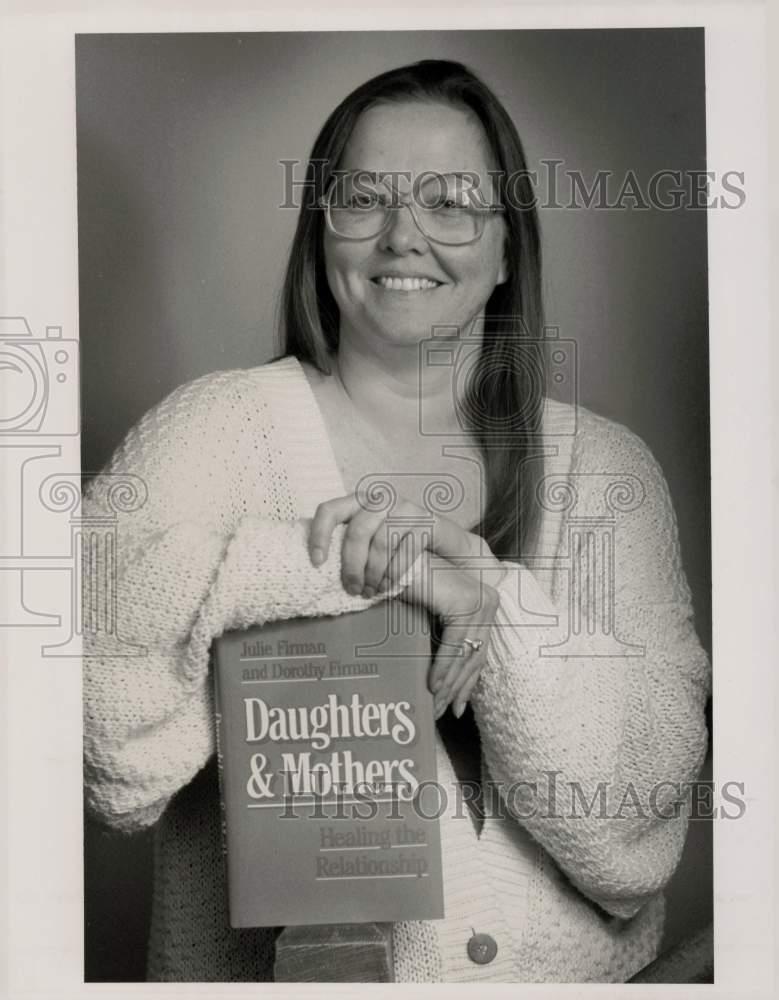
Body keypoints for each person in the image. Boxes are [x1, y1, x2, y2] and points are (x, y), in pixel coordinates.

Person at [82, 59, 711, 983]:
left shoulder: (606, 472)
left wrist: (489, 606)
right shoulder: (211, 432)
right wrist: (328, 566)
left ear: (507, 252)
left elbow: (641, 819)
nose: (402, 235)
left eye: (451, 202)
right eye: (364, 197)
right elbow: (97, 732)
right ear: (320, 231)